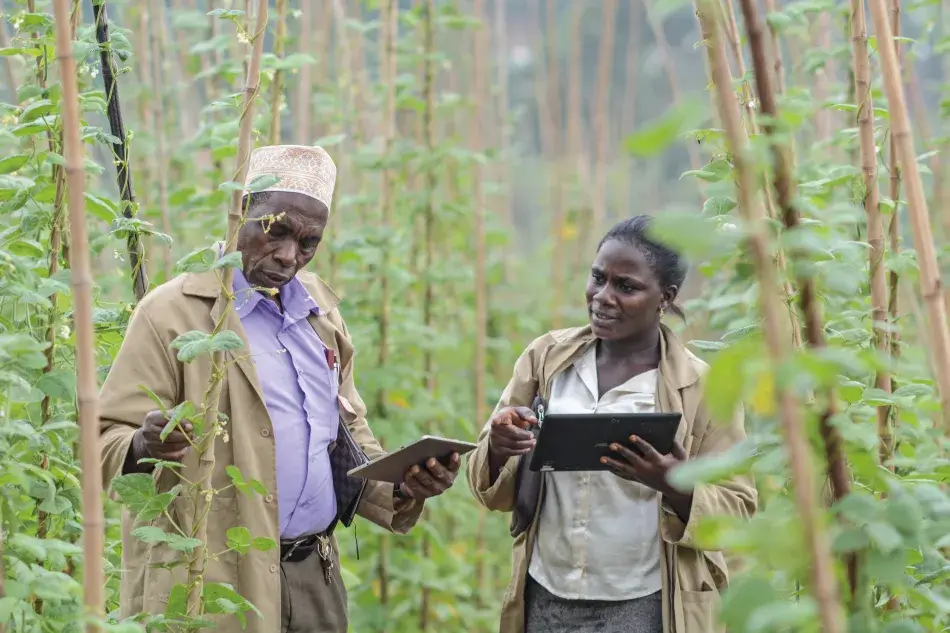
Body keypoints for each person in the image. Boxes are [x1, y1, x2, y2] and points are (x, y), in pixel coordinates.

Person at [99, 145, 460, 633]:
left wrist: (401, 484)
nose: (290, 256)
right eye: (277, 231)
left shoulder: (321, 317)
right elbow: (102, 441)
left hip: (314, 575)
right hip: (212, 580)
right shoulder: (170, 316)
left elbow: (346, 431)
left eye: (309, 242)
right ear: (240, 213)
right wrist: (145, 444)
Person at [467, 216, 757, 633]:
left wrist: (674, 483)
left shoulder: (701, 388)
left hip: (642, 604)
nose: (603, 297)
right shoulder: (546, 361)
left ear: (666, 297)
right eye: (598, 278)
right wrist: (498, 446)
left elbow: (738, 509)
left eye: (626, 287)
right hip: (544, 594)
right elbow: (486, 485)